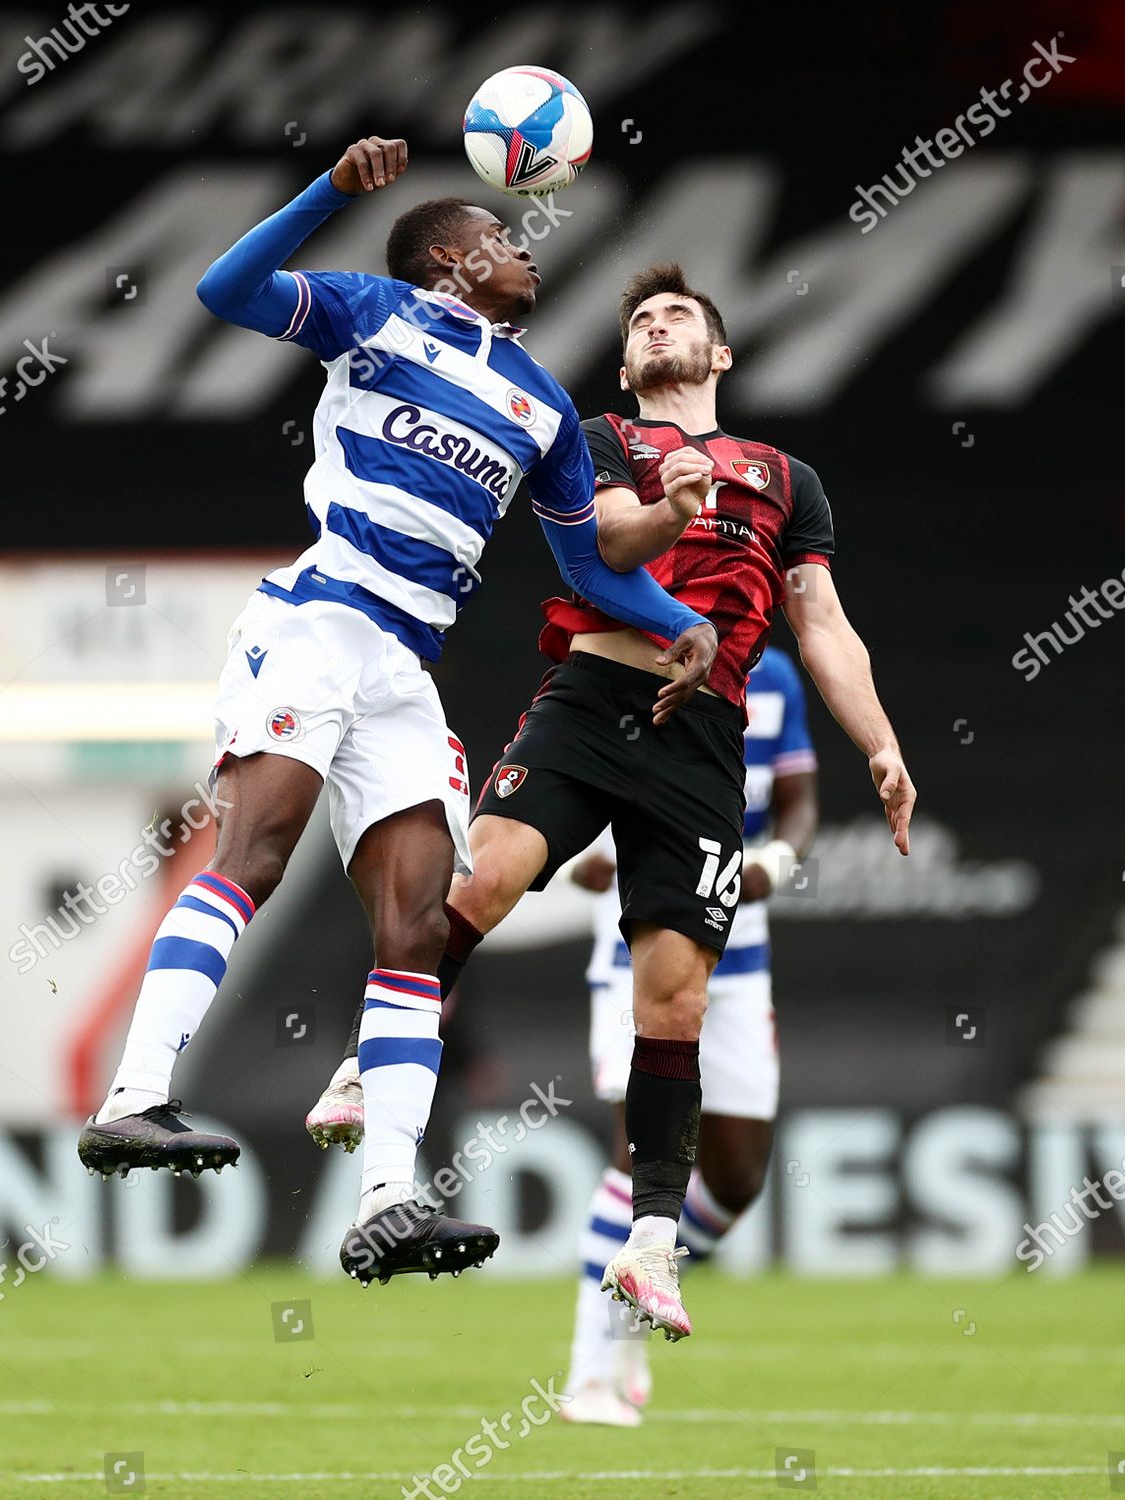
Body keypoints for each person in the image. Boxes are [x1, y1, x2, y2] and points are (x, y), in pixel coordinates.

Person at [76, 147, 717, 1289]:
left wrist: (677, 614)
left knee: (419, 926)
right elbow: (224, 293)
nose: (525, 250)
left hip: (403, 668)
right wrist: (330, 195)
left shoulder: (546, 406)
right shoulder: (374, 313)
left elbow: (588, 565)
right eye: (501, 238)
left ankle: (387, 1198)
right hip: (318, 618)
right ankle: (134, 1099)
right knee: (257, 853)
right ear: (447, 260)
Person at [309, 262, 915, 1326]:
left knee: (674, 997)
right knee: (484, 879)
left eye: (676, 315)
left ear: (718, 353)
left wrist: (881, 741)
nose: (655, 327)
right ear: (628, 361)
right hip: (592, 702)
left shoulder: (785, 476)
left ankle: (649, 1246)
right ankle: (372, 1061)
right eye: (639, 322)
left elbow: (818, 622)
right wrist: (673, 515)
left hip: (705, 744)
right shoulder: (599, 442)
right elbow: (603, 549)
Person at [561, 645, 818, 1425]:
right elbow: (584, 783)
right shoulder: (627, 659)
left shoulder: (773, 677)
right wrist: (593, 848)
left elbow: (801, 804)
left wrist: (779, 857)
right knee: (640, 1155)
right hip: (639, 952)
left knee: (736, 1178)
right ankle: (591, 1374)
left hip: (739, 960)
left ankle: (644, 1292)